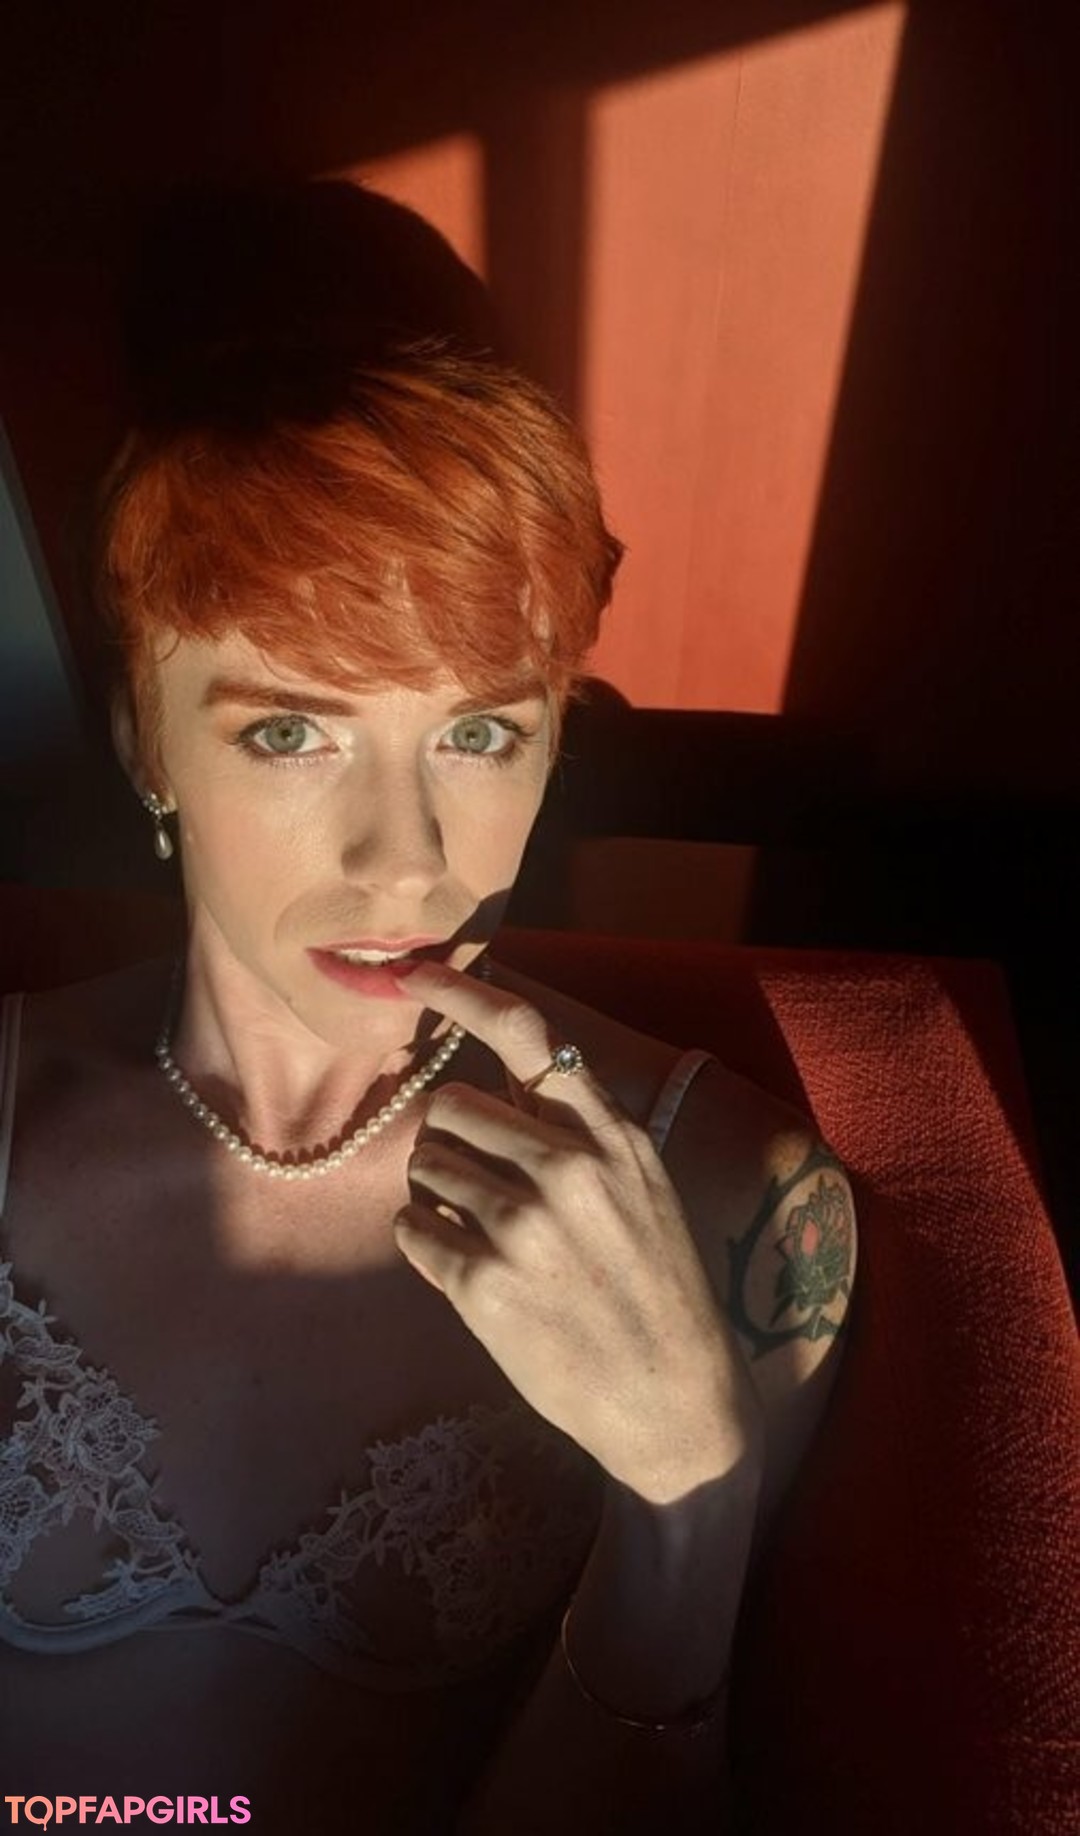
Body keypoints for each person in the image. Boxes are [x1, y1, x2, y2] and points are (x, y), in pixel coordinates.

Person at [0, 340, 856, 1833]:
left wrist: (692, 1480)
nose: (405, 862)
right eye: (290, 731)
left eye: (478, 733)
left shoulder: (738, 1207)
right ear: (147, 743)